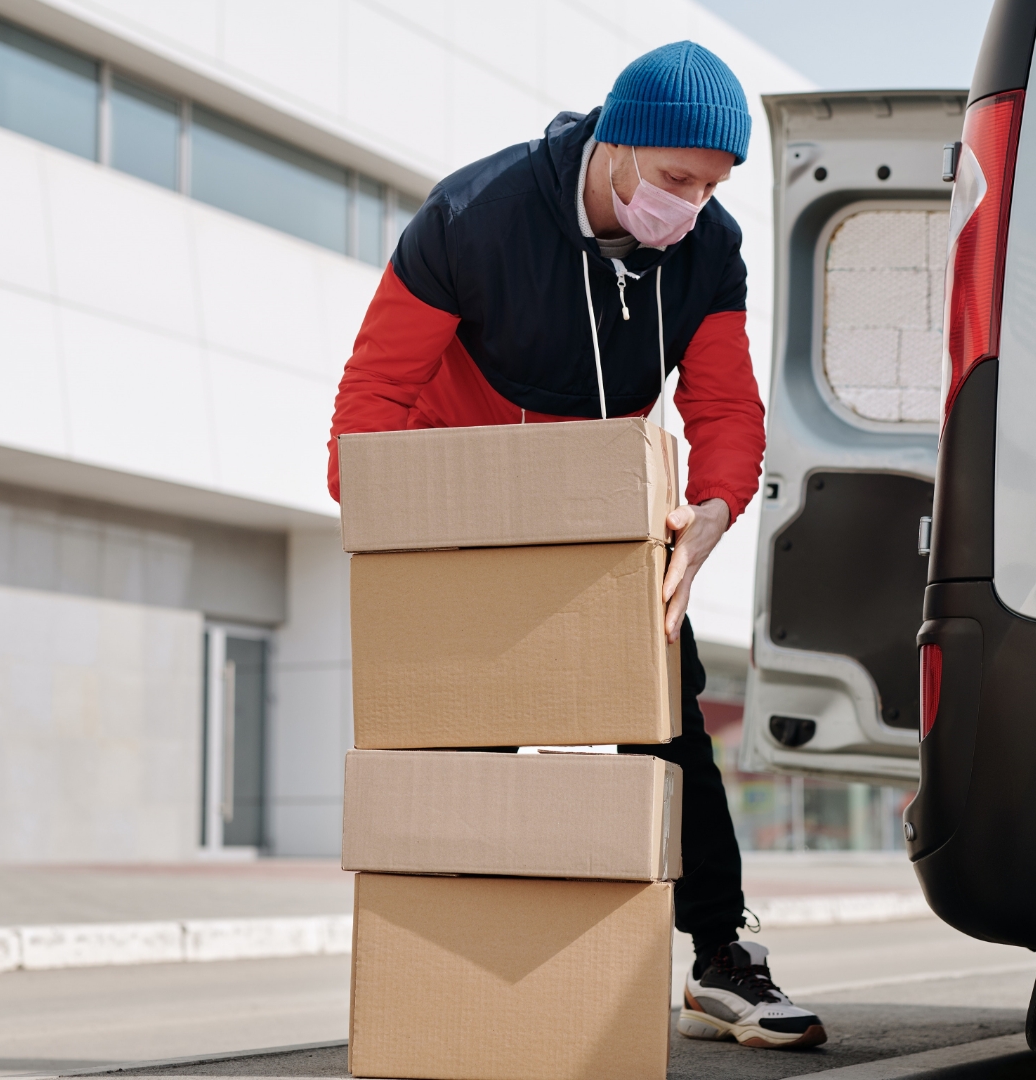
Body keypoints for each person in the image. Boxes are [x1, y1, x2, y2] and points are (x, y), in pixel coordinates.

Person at [327, 41, 825, 1051]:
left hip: (601, 518)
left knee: (669, 728)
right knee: (474, 752)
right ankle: (459, 974)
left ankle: (722, 956)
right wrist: (392, 537)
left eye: (710, 187)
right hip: (463, 517)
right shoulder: (475, 217)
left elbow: (726, 402)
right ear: (613, 146)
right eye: (675, 180)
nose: (689, 205)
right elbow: (371, 398)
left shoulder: (704, 247)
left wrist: (716, 509)